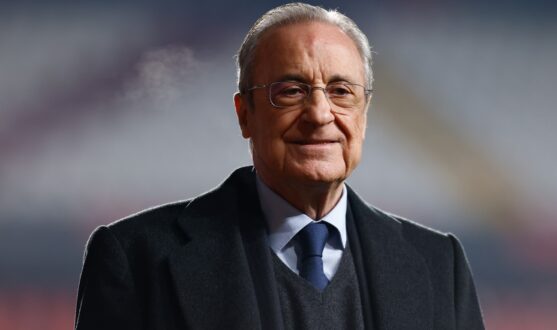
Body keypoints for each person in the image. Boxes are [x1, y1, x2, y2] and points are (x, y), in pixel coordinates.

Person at [75, 3, 485, 329]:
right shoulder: (135, 258)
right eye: (291, 91)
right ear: (245, 114)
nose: (320, 113)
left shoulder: (438, 263)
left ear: (364, 112)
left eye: (341, 91)